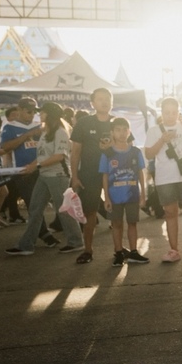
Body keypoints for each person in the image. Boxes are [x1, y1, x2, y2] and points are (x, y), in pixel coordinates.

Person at [6, 103, 84, 256]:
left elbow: (59, 156)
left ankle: (76, 242)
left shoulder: (60, 132)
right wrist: (32, 165)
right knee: (35, 209)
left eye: (42, 112)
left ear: (50, 114)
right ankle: (26, 245)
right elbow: (42, 155)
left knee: (63, 210)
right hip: (44, 175)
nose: (39, 114)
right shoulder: (45, 132)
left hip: (58, 176)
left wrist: (36, 166)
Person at [144, 97, 182, 263]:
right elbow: (148, 154)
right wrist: (162, 140)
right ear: (161, 113)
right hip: (165, 177)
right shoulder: (154, 130)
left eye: (174, 112)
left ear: (179, 112)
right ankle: (174, 251)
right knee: (170, 214)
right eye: (167, 112)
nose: (170, 116)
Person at [0, 98, 60, 248]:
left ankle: (45, 232)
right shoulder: (10, 127)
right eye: (28, 111)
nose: (32, 114)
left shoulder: (40, 126)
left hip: (42, 169)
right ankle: (44, 234)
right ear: (19, 110)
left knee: (42, 204)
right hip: (23, 171)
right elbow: (5, 147)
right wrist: (28, 135)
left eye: (34, 112)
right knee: (33, 204)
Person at [70, 88, 116, 264]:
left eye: (108, 98)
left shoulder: (118, 122)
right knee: (90, 212)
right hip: (89, 173)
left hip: (114, 173)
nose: (105, 102)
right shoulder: (84, 123)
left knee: (117, 213)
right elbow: (75, 152)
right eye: (100, 99)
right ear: (93, 103)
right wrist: (75, 177)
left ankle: (120, 250)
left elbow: (128, 148)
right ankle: (87, 250)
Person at [100, 118, 148, 266]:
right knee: (116, 224)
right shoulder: (107, 153)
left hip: (132, 194)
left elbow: (140, 173)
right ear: (112, 133)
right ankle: (119, 252)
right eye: (118, 130)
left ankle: (133, 252)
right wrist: (106, 197)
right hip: (114, 196)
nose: (121, 133)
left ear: (129, 132)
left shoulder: (135, 152)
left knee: (132, 223)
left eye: (124, 130)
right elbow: (105, 176)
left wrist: (143, 193)